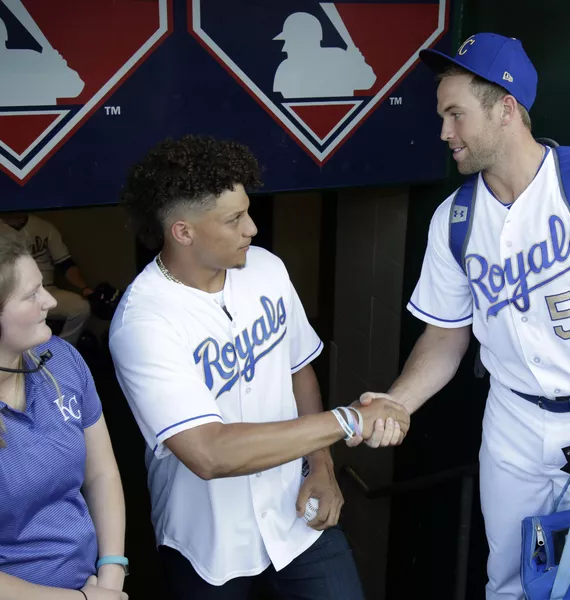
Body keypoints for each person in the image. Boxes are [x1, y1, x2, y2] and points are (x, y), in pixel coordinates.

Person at [352, 33, 570, 599]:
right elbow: (445, 337)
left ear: (506, 109)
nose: (445, 132)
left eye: (456, 115)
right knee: (509, 582)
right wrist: (399, 400)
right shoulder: (455, 219)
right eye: (443, 116)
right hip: (512, 421)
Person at [108, 135, 409, 599]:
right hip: (209, 541)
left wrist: (322, 467)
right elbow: (209, 453)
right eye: (234, 219)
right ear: (183, 231)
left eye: (248, 211)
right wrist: (347, 420)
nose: (251, 228)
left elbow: (297, 372)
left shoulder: (266, 268)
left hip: (295, 512)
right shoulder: (143, 321)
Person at [0, 233, 127, 600]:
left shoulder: (62, 359)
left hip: (93, 585)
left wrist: (112, 573)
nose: (51, 302)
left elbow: (102, 474)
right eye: (31, 295)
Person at [0, 212, 93, 346]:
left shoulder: (43, 226)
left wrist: (85, 287)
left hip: (46, 288)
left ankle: (60, 350)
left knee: (81, 308)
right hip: (9, 295)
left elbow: (65, 263)